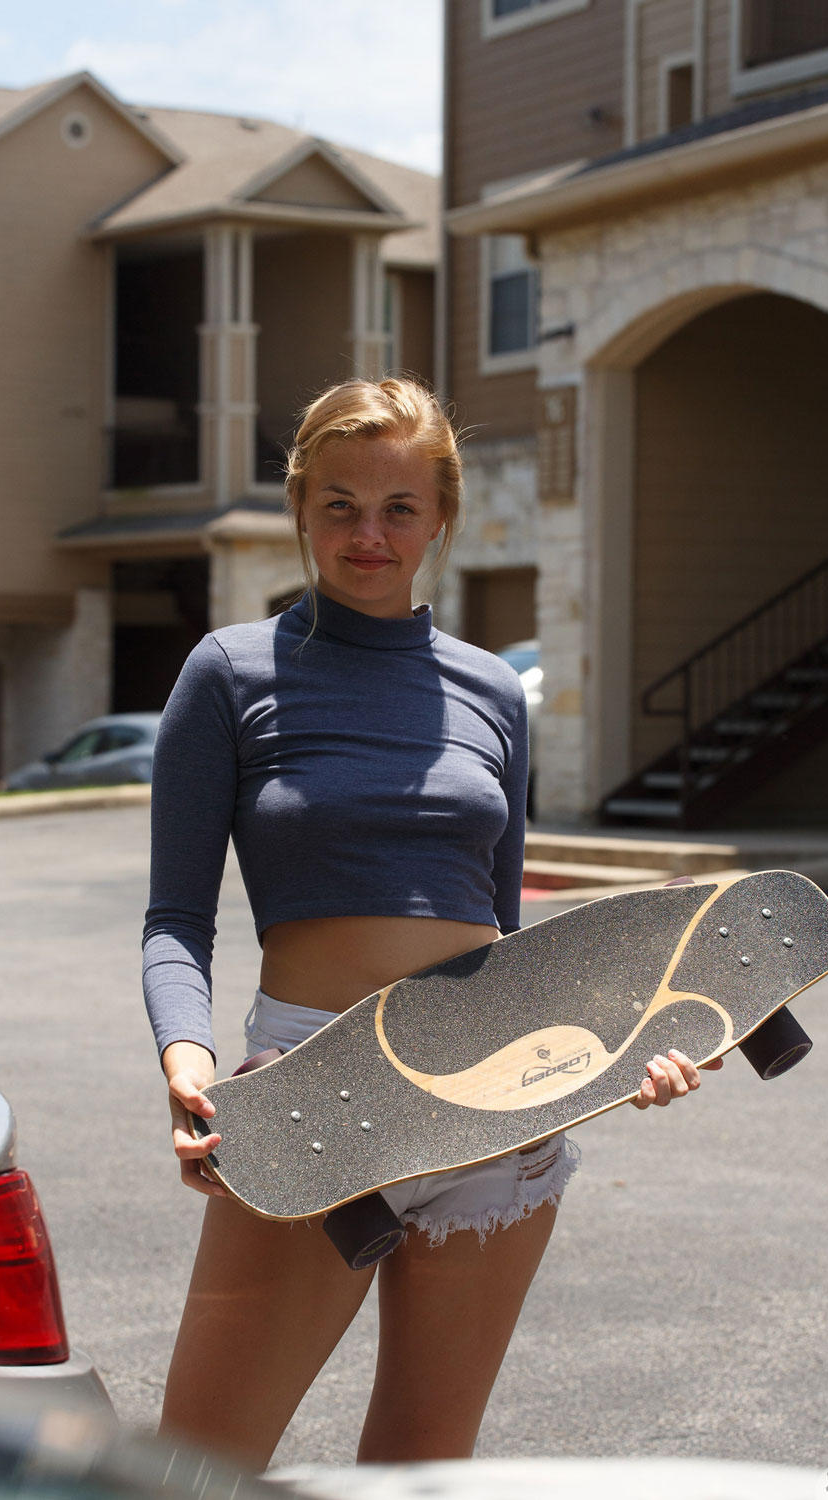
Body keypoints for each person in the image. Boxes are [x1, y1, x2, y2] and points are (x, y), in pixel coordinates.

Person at [142, 377, 719, 1470]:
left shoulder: (494, 691)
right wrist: (188, 1060)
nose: (369, 534)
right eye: (340, 504)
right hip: (311, 1099)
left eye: (399, 508)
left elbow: (503, 935)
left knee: (423, 1472)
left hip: (496, 1112)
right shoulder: (230, 671)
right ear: (300, 506)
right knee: (191, 1472)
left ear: (441, 517)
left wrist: (615, 1052)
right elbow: (175, 918)